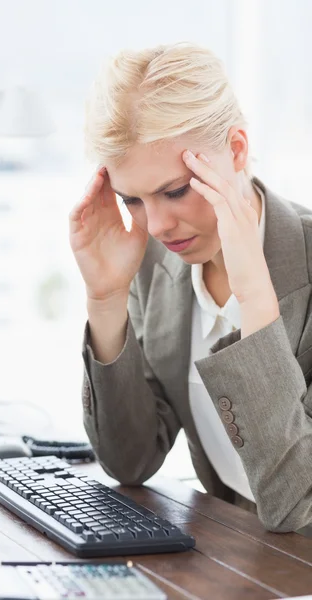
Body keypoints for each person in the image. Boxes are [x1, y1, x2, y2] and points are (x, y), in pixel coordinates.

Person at [68, 42, 312, 534]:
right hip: (242, 555)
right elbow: (130, 460)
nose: (156, 224)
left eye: (176, 190)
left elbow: (300, 505)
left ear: (237, 150)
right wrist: (106, 301)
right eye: (131, 199)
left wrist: (255, 301)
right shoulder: (155, 262)